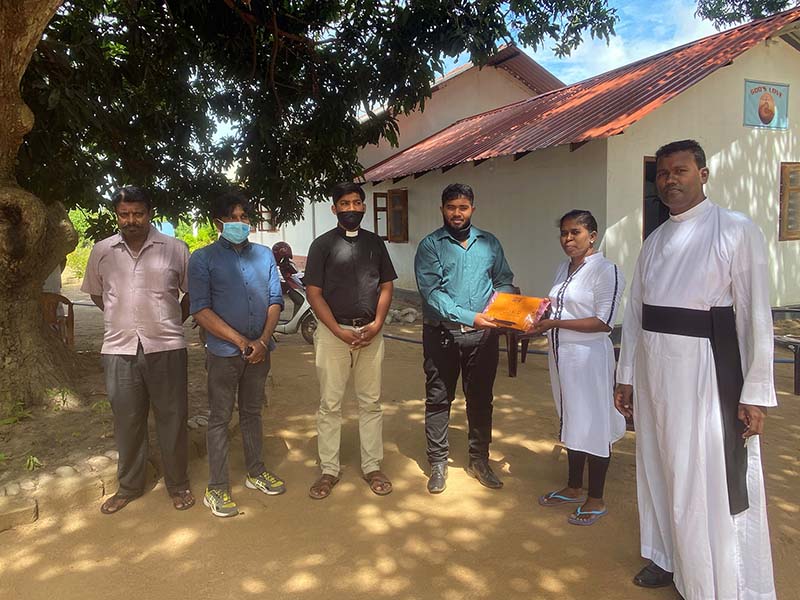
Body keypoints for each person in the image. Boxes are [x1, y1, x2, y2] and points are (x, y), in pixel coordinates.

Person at [615, 140, 776, 598]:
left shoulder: (735, 230)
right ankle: (666, 557)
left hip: (707, 374)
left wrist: (755, 393)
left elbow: (754, 315)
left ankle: (707, 578)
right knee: (658, 466)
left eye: (680, 170)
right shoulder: (655, 240)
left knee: (701, 473)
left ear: (702, 174)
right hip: (654, 374)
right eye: (663, 173)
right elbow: (638, 315)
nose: (669, 180)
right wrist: (625, 376)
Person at [81, 186, 194, 514]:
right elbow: (97, 294)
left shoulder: (175, 249)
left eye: (138, 213)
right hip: (118, 348)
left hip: (167, 345)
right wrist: (122, 319)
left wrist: (171, 320)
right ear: (116, 215)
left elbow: (189, 294)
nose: (131, 220)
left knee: (172, 417)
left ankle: (178, 484)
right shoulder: (102, 250)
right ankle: (129, 486)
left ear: (150, 213)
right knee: (127, 420)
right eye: (124, 214)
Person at [188, 191, 286, 518]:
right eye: (232, 218)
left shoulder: (264, 255)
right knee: (219, 417)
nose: (240, 223)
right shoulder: (202, 259)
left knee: (252, 413)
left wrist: (262, 341)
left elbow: (275, 299)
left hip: (260, 351)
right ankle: (217, 488)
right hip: (223, 353)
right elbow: (200, 309)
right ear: (218, 223)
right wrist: (242, 342)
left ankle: (256, 471)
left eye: (245, 217)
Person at [414, 182, 515, 494]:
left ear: (473, 208)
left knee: (482, 398)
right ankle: (438, 462)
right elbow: (431, 294)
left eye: (463, 207)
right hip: (442, 334)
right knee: (439, 397)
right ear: (442, 209)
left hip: (484, 337)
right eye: (451, 207)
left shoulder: (490, 243)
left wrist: (507, 306)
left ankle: (479, 459)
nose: (457, 213)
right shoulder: (431, 245)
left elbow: (504, 280)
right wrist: (471, 316)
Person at [530, 210, 625, 525]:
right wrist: (528, 314)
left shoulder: (606, 271)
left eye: (576, 233)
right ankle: (573, 487)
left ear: (593, 235)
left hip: (589, 359)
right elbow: (553, 304)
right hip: (562, 358)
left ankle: (595, 498)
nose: (568, 240)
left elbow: (603, 322)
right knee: (572, 417)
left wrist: (554, 322)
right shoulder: (563, 268)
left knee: (594, 422)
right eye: (564, 234)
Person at [304, 182, 397, 499]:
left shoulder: (374, 244)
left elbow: (386, 286)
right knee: (330, 405)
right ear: (334, 208)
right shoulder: (322, 245)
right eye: (344, 203)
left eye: (357, 203)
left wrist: (377, 323)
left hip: (371, 333)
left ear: (364, 207)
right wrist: (337, 330)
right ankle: (329, 469)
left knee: (370, 403)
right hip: (334, 336)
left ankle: (372, 466)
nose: (352, 209)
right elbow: (313, 293)